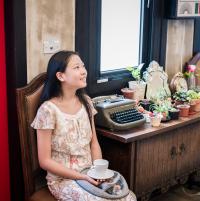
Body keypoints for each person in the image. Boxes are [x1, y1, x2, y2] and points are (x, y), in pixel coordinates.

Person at [31, 50, 136, 200]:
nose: (84, 71)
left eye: (83, 66)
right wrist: (81, 177)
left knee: (128, 197)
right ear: (61, 76)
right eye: (76, 68)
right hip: (63, 180)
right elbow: (45, 161)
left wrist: (97, 172)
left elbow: (94, 143)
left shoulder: (86, 102)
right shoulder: (47, 111)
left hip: (89, 173)